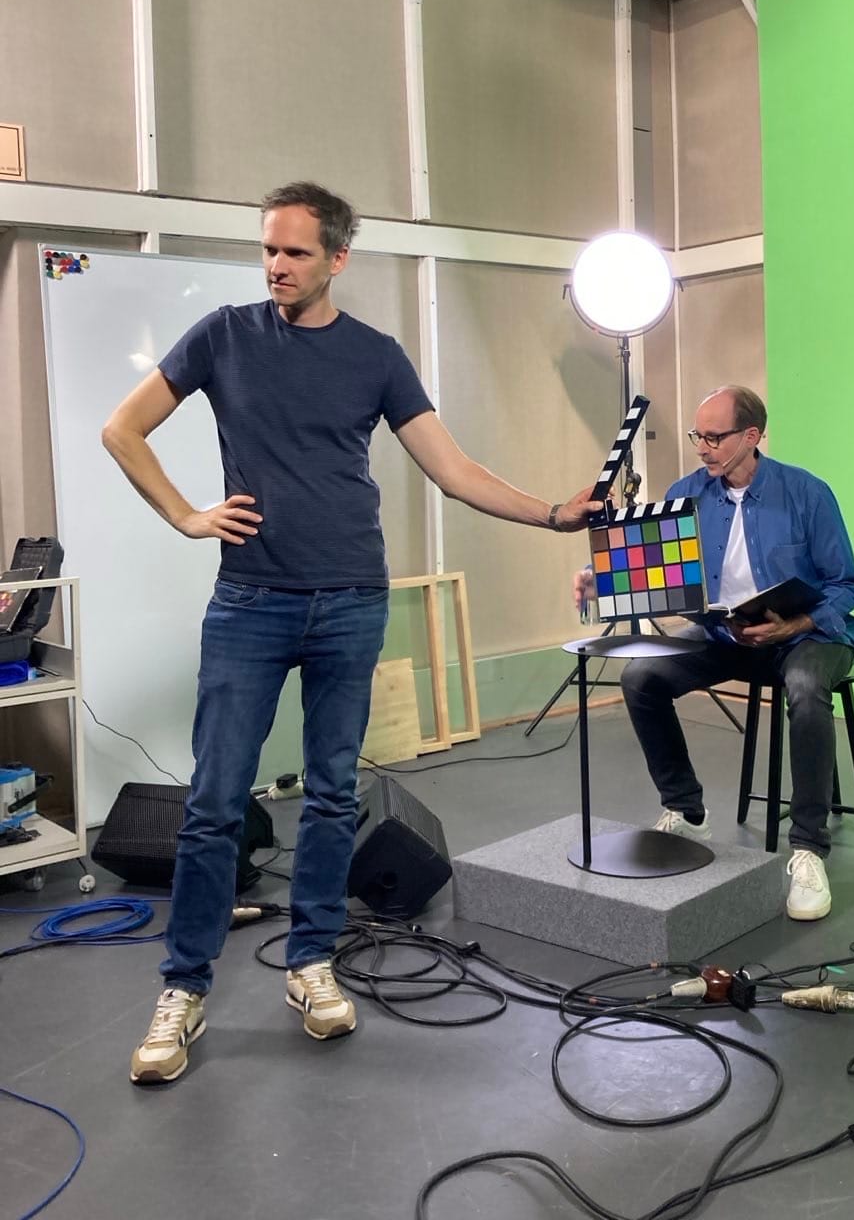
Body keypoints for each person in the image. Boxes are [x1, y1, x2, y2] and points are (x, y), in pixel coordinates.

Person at [102, 181, 600, 1084]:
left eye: (295, 252)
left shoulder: (376, 356)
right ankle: (183, 988)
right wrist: (186, 515)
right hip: (250, 602)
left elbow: (453, 469)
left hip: (350, 602)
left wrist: (555, 514)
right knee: (215, 804)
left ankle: (312, 962)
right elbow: (122, 429)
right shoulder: (222, 336)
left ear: (337, 258)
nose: (276, 266)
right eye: (268, 249)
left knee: (333, 794)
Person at [578, 385, 854, 922]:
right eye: (698, 436)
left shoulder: (807, 493)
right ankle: (686, 810)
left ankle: (807, 849)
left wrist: (794, 624)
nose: (702, 447)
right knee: (640, 678)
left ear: (751, 436)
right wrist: (602, 581)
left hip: (806, 637)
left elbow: (847, 586)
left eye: (714, 437)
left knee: (805, 689)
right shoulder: (686, 495)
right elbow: (653, 574)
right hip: (724, 635)